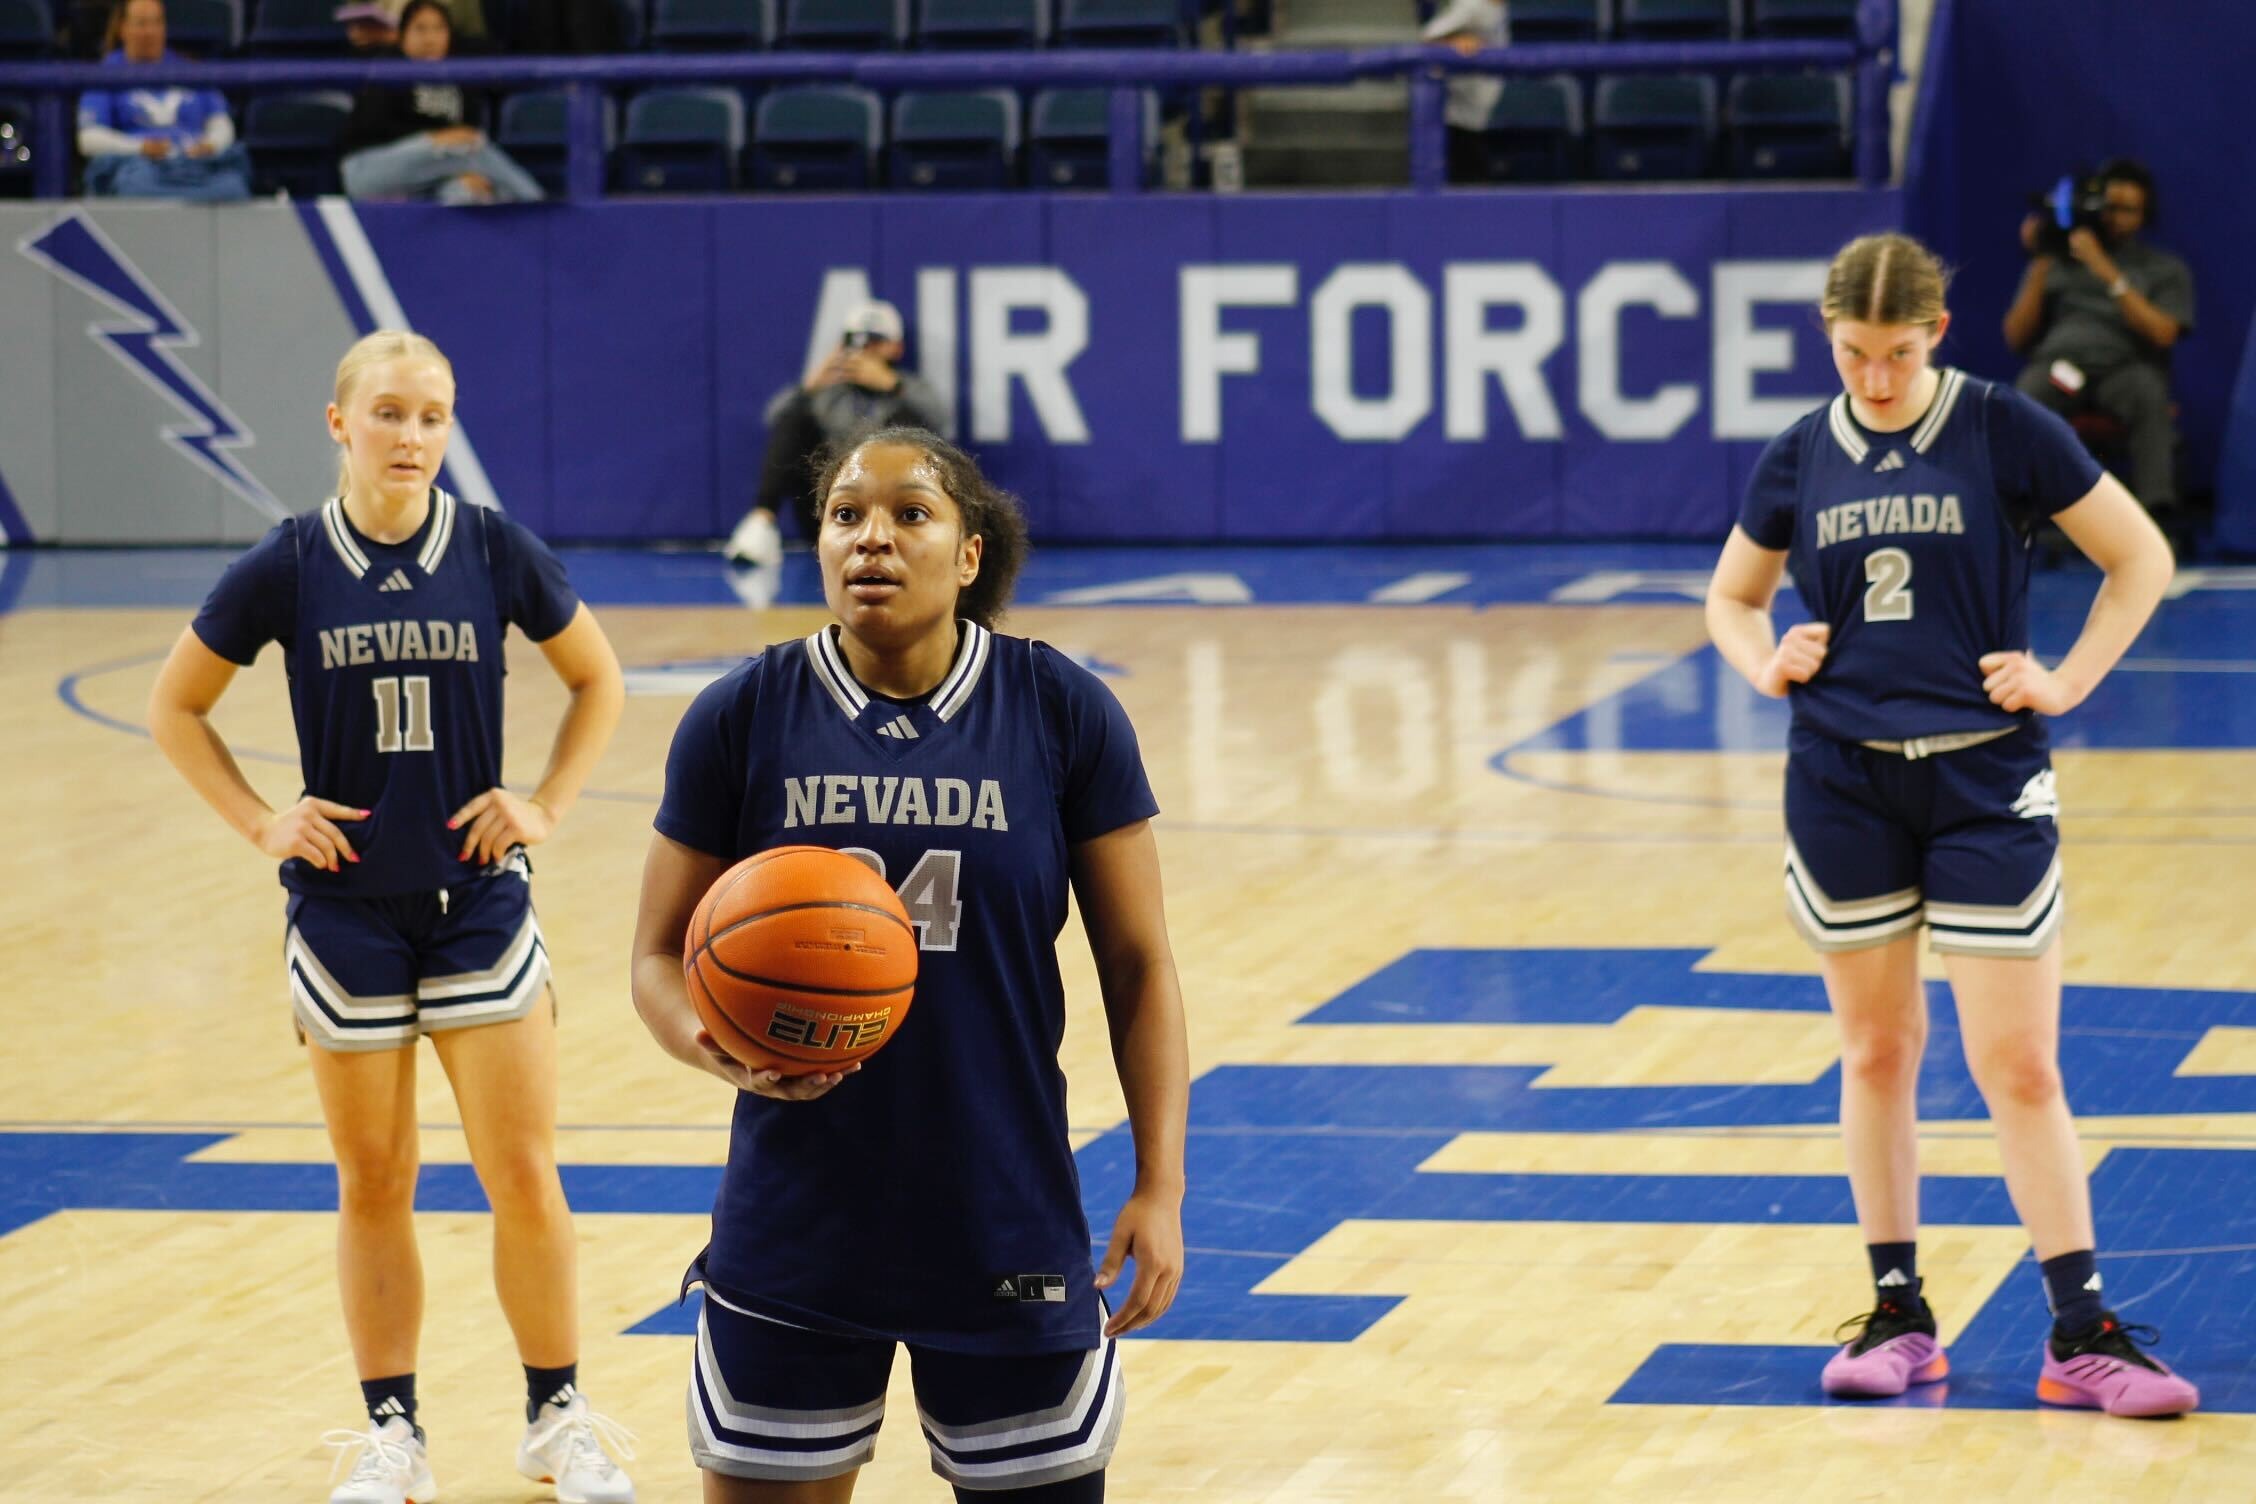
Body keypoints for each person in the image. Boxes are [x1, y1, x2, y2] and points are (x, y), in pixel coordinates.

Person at [632, 427, 1190, 1499]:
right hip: (796, 1225)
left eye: (910, 514)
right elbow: (657, 955)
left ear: (969, 555)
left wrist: (1160, 1183)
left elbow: (1139, 964)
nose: (871, 538)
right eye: (846, 515)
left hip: (1002, 1214)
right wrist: (718, 1050)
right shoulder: (742, 713)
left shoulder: (1057, 708)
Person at [1704, 232, 2197, 1417]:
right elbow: (1729, 593)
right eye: (1851, 354)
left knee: (2017, 1063)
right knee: (1877, 1052)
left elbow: (2141, 557)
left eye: (1896, 352)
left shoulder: (2000, 426)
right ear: (1828, 340)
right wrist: (1764, 656)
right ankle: (1899, 1313)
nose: (1873, 378)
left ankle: (2081, 1331)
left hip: (1985, 779)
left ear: (1939, 335)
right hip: (1842, 780)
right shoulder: (1798, 452)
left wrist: (2068, 679)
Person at [146, 330, 638, 1504]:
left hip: (477, 901)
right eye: (390, 414)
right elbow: (177, 706)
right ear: (339, 423)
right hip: (345, 914)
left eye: (432, 415)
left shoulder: (491, 546)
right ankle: (392, 1434)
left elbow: (599, 679)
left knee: (522, 1171)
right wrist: (265, 821)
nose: (412, 436)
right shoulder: (289, 562)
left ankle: (555, 1414)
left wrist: (549, 802)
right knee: (375, 1180)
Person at [2003, 158, 2195, 520]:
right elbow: (2015, 337)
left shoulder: (2162, 268)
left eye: (2127, 210)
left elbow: (2164, 333)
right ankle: (2016, 511)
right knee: (2026, 395)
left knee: (2149, 394)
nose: (2114, 217)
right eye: (2109, 207)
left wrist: (2107, 271)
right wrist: (2042, 259)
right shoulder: (2057, 260)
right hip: (2063, 371)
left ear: (2144, 215)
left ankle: (2158, 513)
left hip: (2123, 370)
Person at [723, 300, 950, 570]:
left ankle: (911, 530)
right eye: (856, 342)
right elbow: (777, 420)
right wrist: (810, 386)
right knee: (796, 417)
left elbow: (940, 423)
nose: (865, 350)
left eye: (875, 342)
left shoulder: (909, 388)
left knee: (908, 422)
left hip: (887, 507)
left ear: (896, 348)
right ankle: (761, 522)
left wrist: (892, 385)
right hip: (829, 506)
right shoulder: (830, 392)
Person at [340, 0, 543, 205]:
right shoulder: (389, 69)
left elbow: (466, 127)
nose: (430, 38)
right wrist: (434, 139)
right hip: (369, 169)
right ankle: (537, 204)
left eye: (439, 29)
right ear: (402, 36)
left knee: (465, 191)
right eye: (420, 29)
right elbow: (371, 130)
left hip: (436, 170)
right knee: (469, 149)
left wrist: (463, 170)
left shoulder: (458, 77)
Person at [76, 0, 251, 200]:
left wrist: (210, 144)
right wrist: (141, 147)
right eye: (141, 23)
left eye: (156, 22)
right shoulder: (104, 74)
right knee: (134, 188)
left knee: (233, 187)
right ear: (122, 28)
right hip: (140, 166)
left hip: (196, 165)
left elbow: (221, 123)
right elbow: (89, 139)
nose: (150, 31)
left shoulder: (190, 69)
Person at [1422, 0, 1507, 185]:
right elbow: (1428, 36)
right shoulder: (1472, 4)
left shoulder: (1498, 7)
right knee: (1468, 184)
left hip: (1479, 112)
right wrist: (1454, 41)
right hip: (1459, 116)